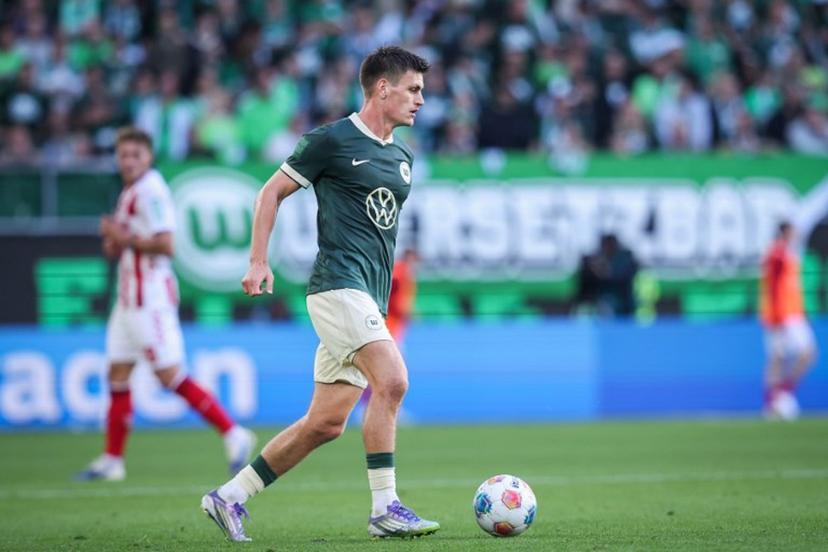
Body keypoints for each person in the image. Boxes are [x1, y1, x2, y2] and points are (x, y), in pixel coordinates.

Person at [199, 46, 439, 542]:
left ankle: (229, 496)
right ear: (382, 88)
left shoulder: (402, 158)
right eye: (413, 89)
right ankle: (385, 507)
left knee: (325, 424)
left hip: (367, 296)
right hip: (337, 287)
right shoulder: (330, 140)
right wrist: (258, 260)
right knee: (392, 381)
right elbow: (270, 193)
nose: (421, 99)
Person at [76, 127, 256, 481]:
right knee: (117, 373)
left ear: (148, 157)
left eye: (135, 155)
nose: (128, 161)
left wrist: (121, 237)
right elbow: (127, 243)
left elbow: (166, 244)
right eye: (123, 155)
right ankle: (113, 460)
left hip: (151, 299)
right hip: (127, 298)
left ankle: (234, 433)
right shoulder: (130, 191)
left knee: (169, 375)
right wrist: (115, 242)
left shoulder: (152, 190)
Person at [759, 221, 817, 420]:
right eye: (793, 232)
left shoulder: (790, 255)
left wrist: (804, 313)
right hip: (782, 316)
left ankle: (780, 396)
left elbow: (792, 289)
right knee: (780, 357)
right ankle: (774, 401)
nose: (797, 235)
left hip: (793, 313)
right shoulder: (777, 254)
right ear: (784, 233)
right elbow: (773, 288)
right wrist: (775, 315)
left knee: (790, 357)